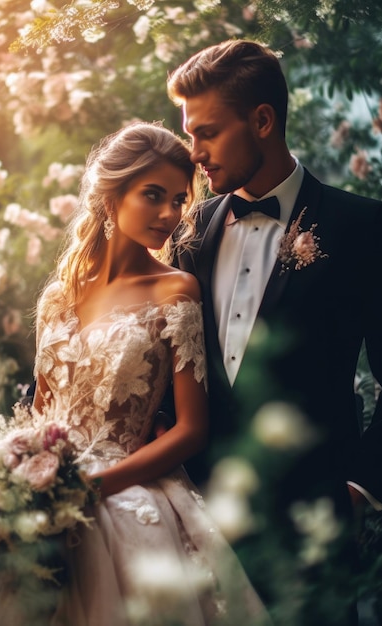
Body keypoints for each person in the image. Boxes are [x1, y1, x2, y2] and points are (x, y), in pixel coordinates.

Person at [15, 122, 269, 626]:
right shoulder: (58, 297)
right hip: (45, 495)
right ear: (111, 196)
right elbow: (39, 413)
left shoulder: (175, 291)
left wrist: (94, 487)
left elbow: (192, 430)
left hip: (130, 496)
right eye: (153, 195)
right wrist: (24, 482)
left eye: (178, 200)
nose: (169, 214)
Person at [166, 39, 382, 626]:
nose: (196, 153)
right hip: (197, 528)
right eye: (189, 135)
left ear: (262, 120)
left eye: (206, 132)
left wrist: (362, 490)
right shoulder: (187, 232)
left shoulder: (363, 227)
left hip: (313, 529)